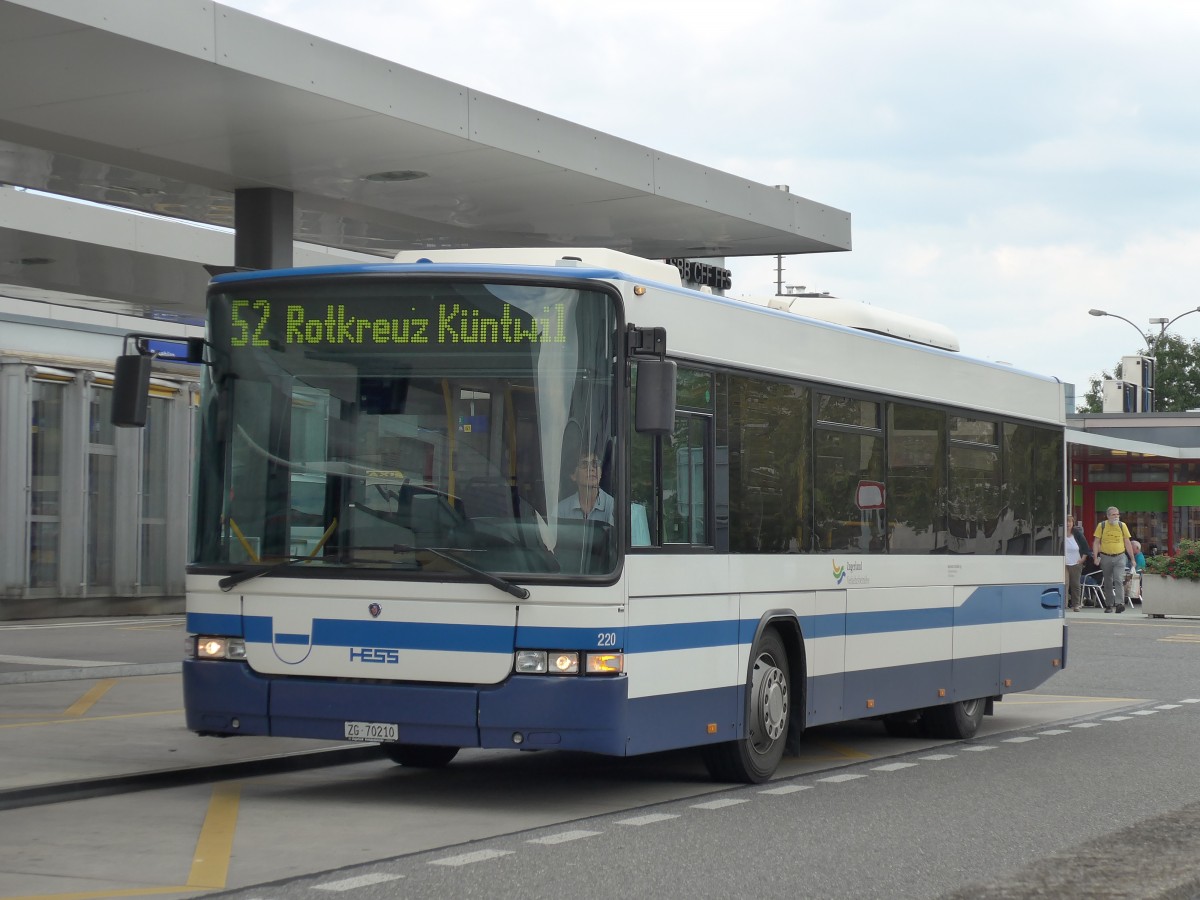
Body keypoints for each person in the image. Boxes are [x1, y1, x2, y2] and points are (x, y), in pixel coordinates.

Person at [1092, 506, 1135, 613]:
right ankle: (1109, 605)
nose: (1116, 517)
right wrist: (1096, 557)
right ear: (1108, 516)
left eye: (1117, 514)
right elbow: (1096, 542)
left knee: (1118, 579)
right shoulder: (1101, 526)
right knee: (1108, 581)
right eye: (1113, 515)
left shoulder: (1122, 525)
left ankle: (1119, 603)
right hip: (1105, 556)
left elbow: (1127, 542)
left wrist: (1132, 559)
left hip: (1120, 556)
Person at [557, 452, 614, 524]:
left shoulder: (613, 506)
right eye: (584, 464)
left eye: (595, 463)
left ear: (601, 473)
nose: (591, 469)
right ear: (573, 475)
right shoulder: (561, 510)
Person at [1064, 514, 1088, 612]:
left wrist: (1083, 559)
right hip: (1064, 563)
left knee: (1075, 584)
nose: (1068, 524)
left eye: (1070, 522)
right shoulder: (1059, 533)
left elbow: (1085, 547)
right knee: (1065, 583)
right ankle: (1063, 604)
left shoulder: (1077, 533)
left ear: (1073, 523)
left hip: (1076, 562)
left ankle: (1076, 604)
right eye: (1066, 521)